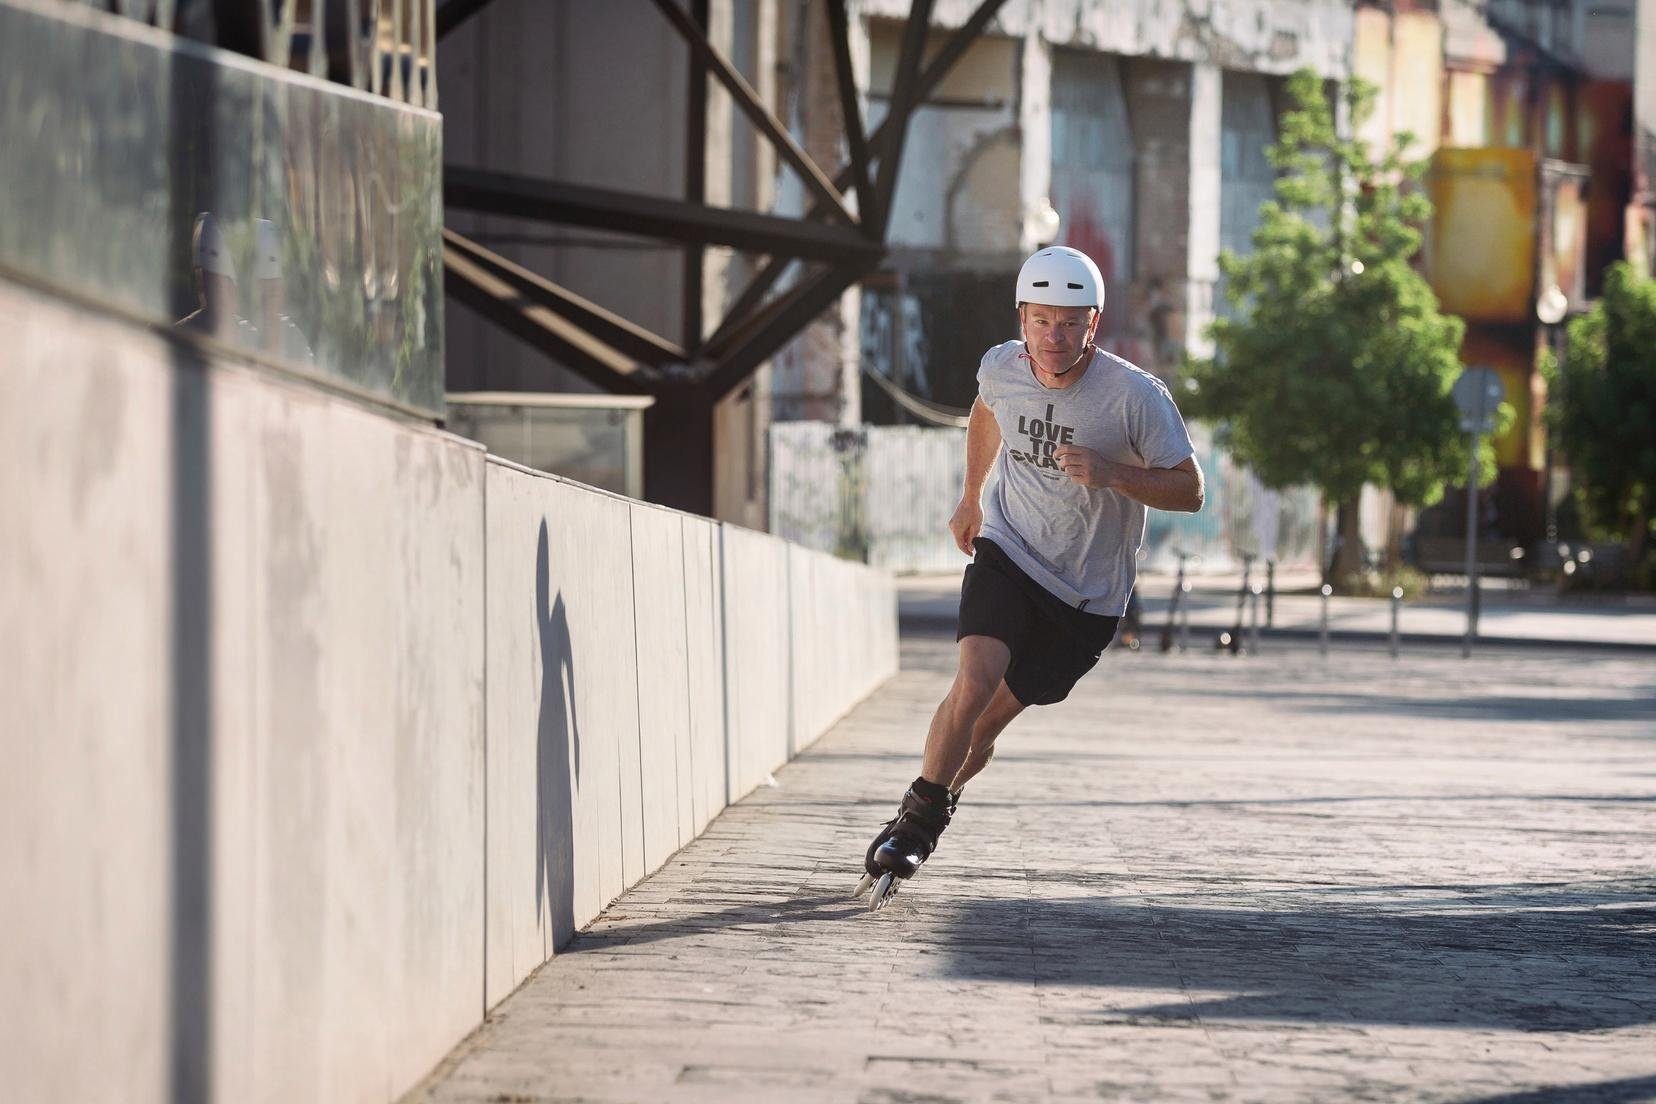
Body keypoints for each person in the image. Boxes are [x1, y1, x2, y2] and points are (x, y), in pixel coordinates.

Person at [856, 246, 1205, 909]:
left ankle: (933, 805)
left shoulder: (1135, 396)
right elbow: (989, 409)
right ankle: (917, 823)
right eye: (1042, 321)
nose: (1054, 338)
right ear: (1023, 317)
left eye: (1070, 323)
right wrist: (969, 496)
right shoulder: (1002, 367)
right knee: (974, 675)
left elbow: (1189, 490)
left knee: (984, 727)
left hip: (1087, 596)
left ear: (1093, 324)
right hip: (1009, 548)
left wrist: (1112, 474)